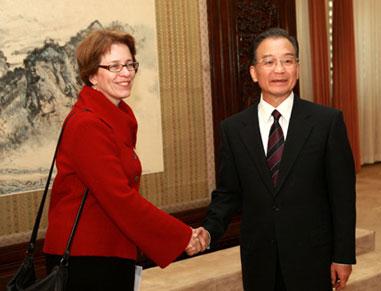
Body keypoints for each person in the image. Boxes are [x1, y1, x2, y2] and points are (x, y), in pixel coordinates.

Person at [193, 28, 356, 290]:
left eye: (288, 60)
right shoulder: (234, 129)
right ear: (254, 72)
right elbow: (228, 193)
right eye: (269, 62)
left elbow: (343, 196)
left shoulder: (327, 122)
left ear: (298, 69)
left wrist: (343, 255)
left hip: (312, 257)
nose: (279, 70)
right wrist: (209, 230)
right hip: (259, 259)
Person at [43, 29, 201, 291]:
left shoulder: (117, 116)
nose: (126, 73)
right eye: (114, 66)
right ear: (92, 75)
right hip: (87, 259)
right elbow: (119, 197)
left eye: (129, 64)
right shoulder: (87, 124)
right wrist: (182, 236)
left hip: (110, 251)